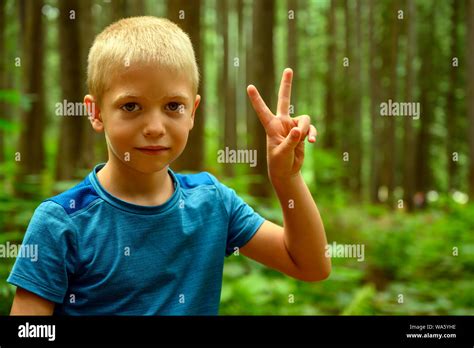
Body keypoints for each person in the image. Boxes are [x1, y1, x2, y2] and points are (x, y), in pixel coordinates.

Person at [8, 16, 330, 315]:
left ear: (193, 112)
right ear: (95, 112)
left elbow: (311, 265)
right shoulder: (62, 222)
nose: (155, 127)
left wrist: (287, 179)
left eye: (173, 106)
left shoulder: (213, 202)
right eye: (131, 106)